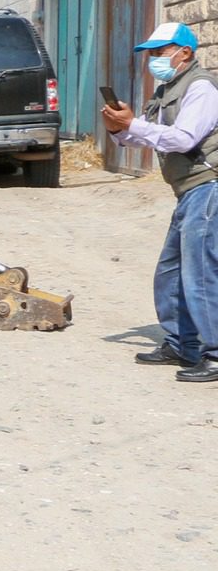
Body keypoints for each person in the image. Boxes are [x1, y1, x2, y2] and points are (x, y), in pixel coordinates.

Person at [103, 22, 218, 382]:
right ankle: (181, 343)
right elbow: (152, 138)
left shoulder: (200, 88)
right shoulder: (168, 89)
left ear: (184, 51)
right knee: (170, 272)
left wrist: (134, 124)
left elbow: (183, 140)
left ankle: (213, 354)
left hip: (207, 186)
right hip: (187, 191)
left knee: (199, 273)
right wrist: (121, 130)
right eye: (151, 53)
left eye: (160, 51)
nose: (154, 59)